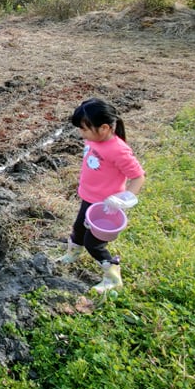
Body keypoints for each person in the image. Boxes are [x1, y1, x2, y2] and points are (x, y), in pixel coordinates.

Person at [60, 98, 145, 293]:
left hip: (106, 207)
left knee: (93, 243)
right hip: (88, 198)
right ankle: (72, 254)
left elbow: (138, 177)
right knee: (78, 230)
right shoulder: (94, 139)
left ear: (104, 128)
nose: (81, 134)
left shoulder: (118, 150)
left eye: (84, 129)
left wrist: (123, 199)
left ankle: (113, 276)